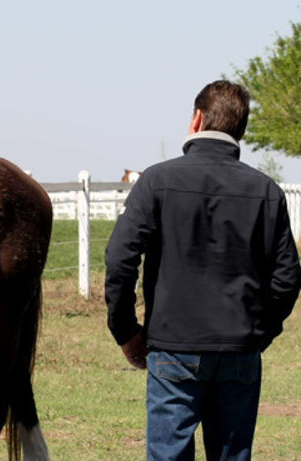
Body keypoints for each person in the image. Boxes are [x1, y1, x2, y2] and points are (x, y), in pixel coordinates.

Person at [105, 80, 301, 461]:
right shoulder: (266, 191)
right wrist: (260, 332)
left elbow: (120, 259)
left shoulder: (157, 181)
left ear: (197, 118)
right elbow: (287, 277)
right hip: (240, 348)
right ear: (241, 129)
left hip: (174, 348)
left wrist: (126, 331)